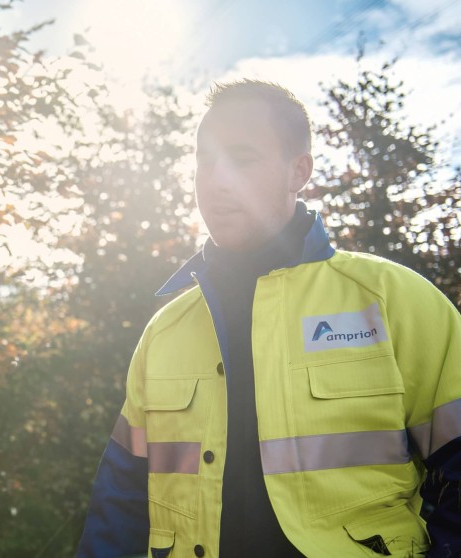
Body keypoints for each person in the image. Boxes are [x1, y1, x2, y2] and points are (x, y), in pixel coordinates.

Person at [76, 79, 461, 557]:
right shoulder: (165, 332)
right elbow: (120, 503)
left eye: (242, 159)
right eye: (204, 161)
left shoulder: (391, 299)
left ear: (298, 171)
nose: (216, 179)